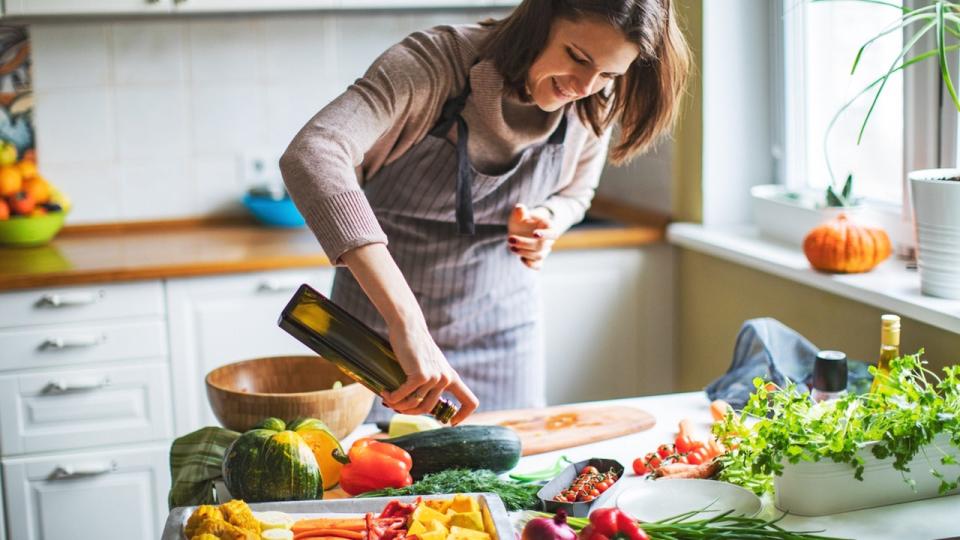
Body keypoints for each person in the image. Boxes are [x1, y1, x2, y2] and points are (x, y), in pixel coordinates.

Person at [280, 0, 690, 425]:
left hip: (503, 337)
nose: (585, 85)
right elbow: (313, 153)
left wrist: (547, 220)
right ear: (540, 20)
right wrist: (408, 322)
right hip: (379, 335)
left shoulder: (595, 99)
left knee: (507, 482)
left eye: (609, 73)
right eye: (577, 57)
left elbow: (576, 193)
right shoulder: (433, 63)